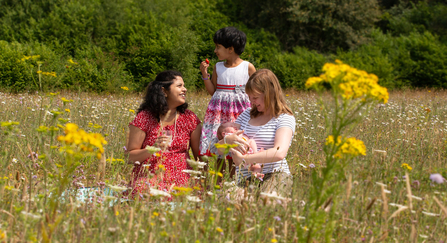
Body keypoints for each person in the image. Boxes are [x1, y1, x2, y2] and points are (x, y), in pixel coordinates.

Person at [216, 69, 296, 195]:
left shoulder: (284, 118)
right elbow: (219, 150)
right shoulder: (246, 114)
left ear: (270, 94)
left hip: (275, 176)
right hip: (246, 178)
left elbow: (279, 152)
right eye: (250, 97)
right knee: (225, 200)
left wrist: (245, 159)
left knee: (265, 201)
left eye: (255, 97)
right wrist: (227, 141)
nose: (251, 101)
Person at [126, 70, 202, 196]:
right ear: (164, 91)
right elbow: (129, 157)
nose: (185, 89)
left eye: (184, 85)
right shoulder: (144, 118)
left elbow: (199, 156)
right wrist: (151, 149)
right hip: (150, 175)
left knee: (189, 195)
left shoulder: (190, 118)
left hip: (182, 177)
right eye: (179, 86)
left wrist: (204, 181)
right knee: (144, 193)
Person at [199, 26, 256, 179]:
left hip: (239, 114)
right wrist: (205, 75)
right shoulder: (218, 67)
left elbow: (258, 89)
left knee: (236, 147)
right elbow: (213, 91)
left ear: (230, 49)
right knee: (220, 147)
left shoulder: (247, 67)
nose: (215, 50)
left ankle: (233, 182)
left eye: (218, 47)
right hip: (218, 113)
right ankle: (218, 184)